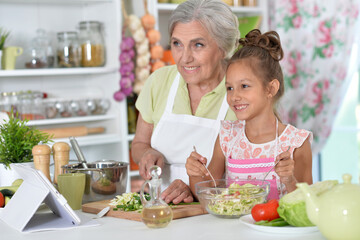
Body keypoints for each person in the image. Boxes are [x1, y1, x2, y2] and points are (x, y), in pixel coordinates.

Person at [131, 0, 240, 204]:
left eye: (198, 45)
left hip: (219, 212)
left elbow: (254, 172)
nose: (185, 58)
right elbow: (139, 143)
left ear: (223, 48)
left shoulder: (242, 91)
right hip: (161, 209)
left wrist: (194, 189)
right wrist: (147, 153)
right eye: (177, 44)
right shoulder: (159, 81)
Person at [186, 29, 313, 199]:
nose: (235, 96)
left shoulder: (295, 143)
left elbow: (307, 205)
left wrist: (289, 180)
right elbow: (209, 195)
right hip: (233, 227)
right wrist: (195, 174)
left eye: (244, 86)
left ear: (270, 89)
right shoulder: (227, 136)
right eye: (229, 88)